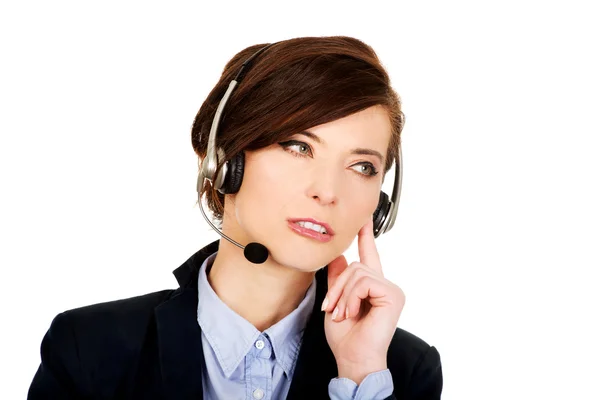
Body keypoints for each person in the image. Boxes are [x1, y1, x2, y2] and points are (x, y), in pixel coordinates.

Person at [28, 36, 443, 399]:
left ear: (381, 204)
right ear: (224, 161)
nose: (328, 191)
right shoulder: (88, 348)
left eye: (362, 167)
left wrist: (360, 374)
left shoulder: (398, 371)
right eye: (298, 146)